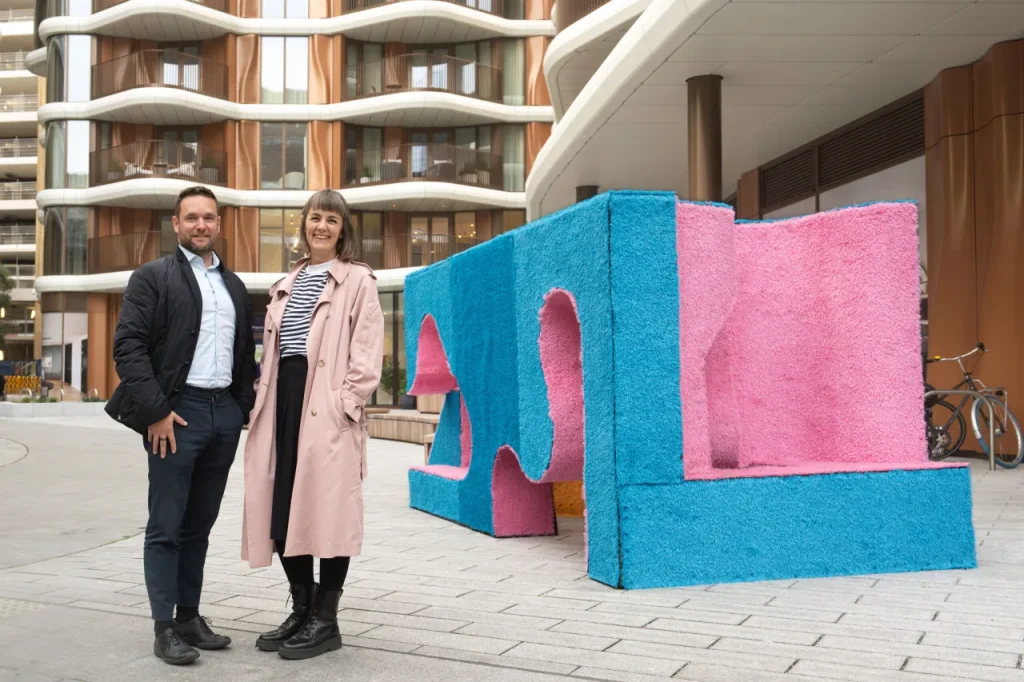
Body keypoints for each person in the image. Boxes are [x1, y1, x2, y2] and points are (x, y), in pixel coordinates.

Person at [106, 186, 257, 666]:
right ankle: (164, 627)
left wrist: (241, 410)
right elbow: (127, 348)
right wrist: (155, 412)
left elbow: (243, 356)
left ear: (218, 223)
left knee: (200, 526)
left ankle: (190, 616)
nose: (200, 225)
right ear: (176, 224)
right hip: (175, 415)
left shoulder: (233, 286)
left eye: (208, 217)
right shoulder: (152, 278)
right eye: (191, 217)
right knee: (166, 526)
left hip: (222, 417)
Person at [241, 189, 383, 660]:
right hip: (283, 401)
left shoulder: (358, 280)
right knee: (282, 509)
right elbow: (277, 350)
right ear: (303, 224)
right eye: (314, 218)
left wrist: (347, 404)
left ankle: (326, 618)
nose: (321, 227)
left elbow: (366, 352)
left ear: (343, 230)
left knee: (330, 510)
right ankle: (301, 607)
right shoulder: (290, 279)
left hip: (327, 407)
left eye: (331, 220)